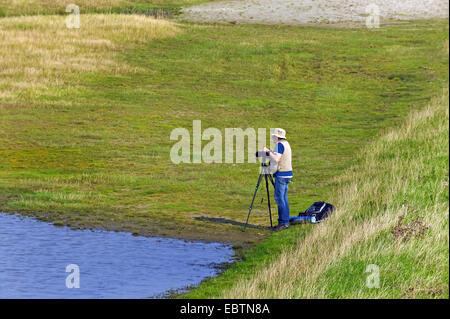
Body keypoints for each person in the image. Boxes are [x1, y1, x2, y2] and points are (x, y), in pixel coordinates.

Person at [263, 128, 293, 231]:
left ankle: (283, 223)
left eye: (274, 136)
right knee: (284, 198)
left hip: (281, 174)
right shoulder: (286, 143)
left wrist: (267, 152)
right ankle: (285, 221)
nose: (273, 138)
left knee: (280, 198)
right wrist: (271, 152)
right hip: (288, 174)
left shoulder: (280, 145)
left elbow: (277, 159)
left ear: (277, 137)